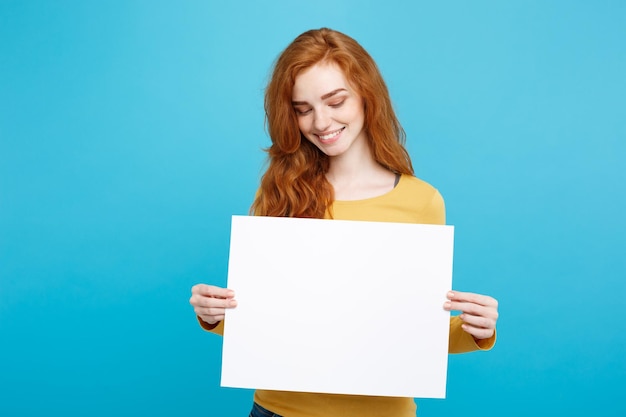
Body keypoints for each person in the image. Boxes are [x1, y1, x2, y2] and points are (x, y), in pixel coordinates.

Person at [189, 27, 498, 417]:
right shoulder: (279, 192)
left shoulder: (421, 202)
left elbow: (414, 336)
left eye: (335, 101)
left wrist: (476, 330)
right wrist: (214, 316)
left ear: (367, 95)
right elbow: (267, 326)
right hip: (277, 410)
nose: (321, 122)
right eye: (303, 109)